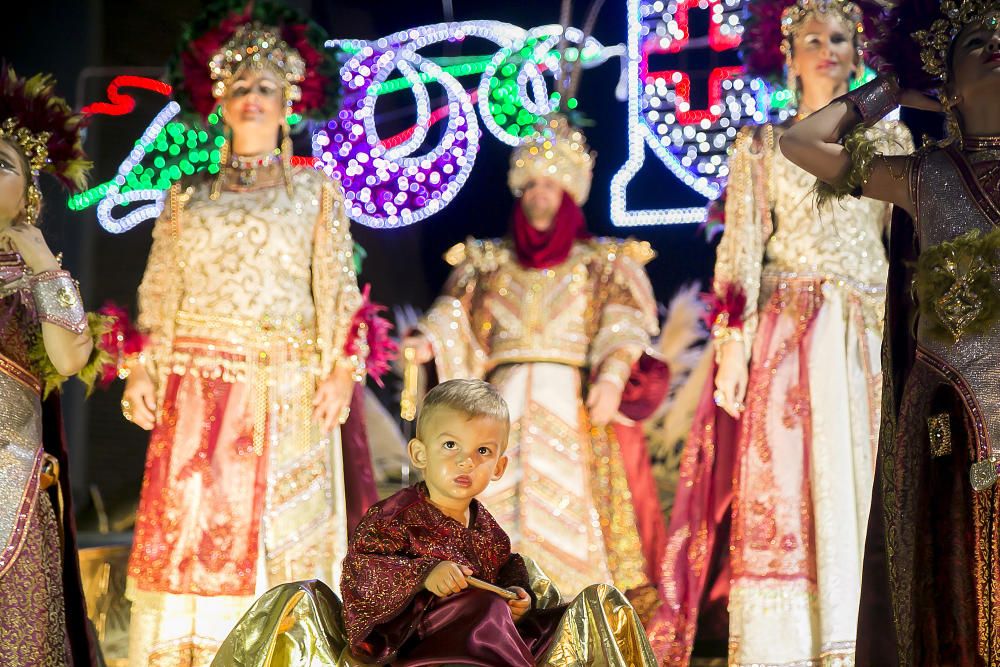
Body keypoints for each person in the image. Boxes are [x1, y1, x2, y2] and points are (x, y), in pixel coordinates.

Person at [121, 3, 393, 665]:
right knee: (194, 534)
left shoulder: (316, 192)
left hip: (288, 388)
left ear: (289, 101)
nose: (252, 98)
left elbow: (336, 290)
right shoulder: (187, 195)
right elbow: (158, 294)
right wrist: (141, 367)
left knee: (285, 535)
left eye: (265, 87)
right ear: (218, 99)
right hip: (197, 392)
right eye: (240, 86)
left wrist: (340, 368)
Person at [646, 0, 913, 663]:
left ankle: (871, 631)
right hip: (791, 332)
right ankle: (793, 645)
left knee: (868, 474)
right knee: (792, 484)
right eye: (813, 37)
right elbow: (739, 250)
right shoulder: (761, 146)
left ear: (860, 51)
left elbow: (904, 248)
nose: (829, 48)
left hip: (869, 330)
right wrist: (731, 344)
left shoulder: (892, 143)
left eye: (842, 37)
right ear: (786, 52)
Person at [780, 1, 1000, 663]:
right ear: (949, 85)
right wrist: (890, 93)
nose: (997, 45)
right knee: (957, 606)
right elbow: (803, 145)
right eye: (977, 40)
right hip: (954, 426)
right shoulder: (926, 176)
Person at [402, 115, 666, 605]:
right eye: (532, 185)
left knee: (572, 505)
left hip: (571, 403)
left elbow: (623, 322)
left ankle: (569, 606)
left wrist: (610, 376)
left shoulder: (600, 262)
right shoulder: (486, 261)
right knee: (492, 493)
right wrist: (428, 340)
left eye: (552, 184)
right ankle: (488, 602)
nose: (540, 194)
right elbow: (454, 314)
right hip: (498, 402)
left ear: (569, 193)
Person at [213, 378, 654, 666]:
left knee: (600, 603)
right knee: (478, 608)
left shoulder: (487, 527)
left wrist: (518, 598)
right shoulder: (394, 517)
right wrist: (424, 575)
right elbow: (363, 572)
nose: (466, 461)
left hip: (488, 641)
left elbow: (505, 571)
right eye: (450, 446)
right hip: (415, 646)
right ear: (420, 455)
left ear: (499, 467)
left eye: (482, 452)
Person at [0, 64, 103, 667]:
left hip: (12, 499)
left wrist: (41, 262)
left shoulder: (38, 280)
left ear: (29, 193)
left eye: (3, 163)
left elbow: (71, 356)